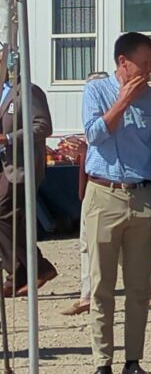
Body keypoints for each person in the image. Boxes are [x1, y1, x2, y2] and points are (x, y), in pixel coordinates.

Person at [82, 32, 151, 374]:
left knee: (137, 286)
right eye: (144, 63)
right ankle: (102, 362)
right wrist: (122, 102)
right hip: (103, 193)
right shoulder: (96, 91)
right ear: (123, 61)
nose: (149, 71)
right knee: (101, 285)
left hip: (143, 196)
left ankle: (133, 360)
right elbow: (93, 134)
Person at [60, 72, 151, 317]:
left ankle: (95, 293)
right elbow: (94, 138)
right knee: (89, 243)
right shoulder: (96, 108)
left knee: (100, 244)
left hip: (124, 187)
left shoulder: (144, 105)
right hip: (96, 186)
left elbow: (112, 143)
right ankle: (89, 294)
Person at [0, 43, 57, 298]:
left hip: (20, 166)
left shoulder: (28, 91)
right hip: (3, 165)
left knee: (4, 213)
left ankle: (33, 267)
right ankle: (20, 271)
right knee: (10, 219)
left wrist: (9, 138)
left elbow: (43, 126)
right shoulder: (3, 92)